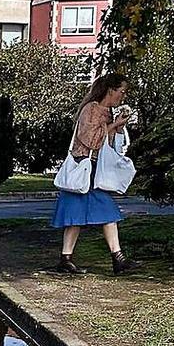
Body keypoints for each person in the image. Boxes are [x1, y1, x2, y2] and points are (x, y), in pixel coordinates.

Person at [52, 73, 142, 275]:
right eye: (122, 91)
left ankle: (72, 259)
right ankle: (114, 259)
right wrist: (114, 126)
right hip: (83, 168)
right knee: (89, 214)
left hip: (93, 170)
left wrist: (118, 127)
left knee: (92, 213)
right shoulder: (91, 109)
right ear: (111, 90)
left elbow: (112, 145)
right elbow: (91, 140)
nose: (123, 96)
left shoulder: (107, 112)